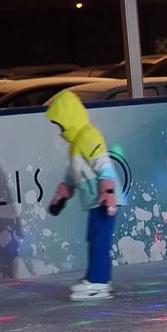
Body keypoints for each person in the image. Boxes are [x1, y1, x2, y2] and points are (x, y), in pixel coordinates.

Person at [45, 91, 123, 302]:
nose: (59, 129)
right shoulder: (75, 144)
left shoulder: (88, 135)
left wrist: (108, 193)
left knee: (100, 241)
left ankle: (99, 282)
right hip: (94, 202)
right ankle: (96, 278)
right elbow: (72, 175)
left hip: (104, 201)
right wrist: (61, 195)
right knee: (94, 239)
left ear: (68, 118)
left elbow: (102, 164)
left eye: (60, 123)